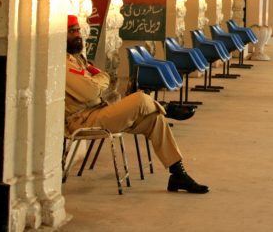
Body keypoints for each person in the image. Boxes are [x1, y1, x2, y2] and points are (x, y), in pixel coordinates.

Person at [64, 15, 208, 194]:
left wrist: (99, 79)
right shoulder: (61, 63)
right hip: (83, 120)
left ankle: (178, 173)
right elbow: (93, 89)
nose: (77, 34)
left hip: (99, 111)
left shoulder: (77, 59)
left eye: (78, 30)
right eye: (71, 31)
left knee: (155, 119)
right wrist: (102, 78)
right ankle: (165, 107)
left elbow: (97, 82)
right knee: (140, 99)